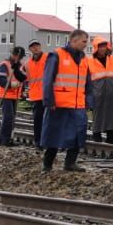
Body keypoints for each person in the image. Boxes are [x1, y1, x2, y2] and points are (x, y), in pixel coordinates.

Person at [38, 29, 93, 173]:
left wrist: (88, 101)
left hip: (77, 105)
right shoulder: (57, 55)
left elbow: (88, 83)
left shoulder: (84, 59)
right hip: (59, 105)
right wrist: (48, 100)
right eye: (84, 42)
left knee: (78, 134)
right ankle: (47, 165)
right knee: (53, 135)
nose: (85, 45)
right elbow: (47, 80)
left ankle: (70, 163)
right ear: (74, 40)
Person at [85, 36, 113, 144]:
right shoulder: (89, 61)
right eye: (100, 46)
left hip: (112, 94)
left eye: (104, 46)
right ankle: (97, 143)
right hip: (97, 95)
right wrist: (87, 98)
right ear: (96, 48)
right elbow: (86, 81)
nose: (103, 48)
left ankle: (110, 143)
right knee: (97, 120)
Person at [0, 46, 27, 146]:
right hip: (6, 94)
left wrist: (22, 91)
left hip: (15, 95)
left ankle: (6, 138)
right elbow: (1, 80)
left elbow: (22, 78)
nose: (21, 58)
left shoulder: (20, 65)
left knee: (11, 118)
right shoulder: (4, 65)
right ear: (15, 55)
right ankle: (4, 140)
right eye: (20, 56)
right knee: (8, 117)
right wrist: (11, 84)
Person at [24, 40, 50, 146]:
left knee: (49, 121)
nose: (35, 48)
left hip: (48, 95)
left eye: (37, 46)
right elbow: (21, 76)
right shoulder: (27, 63)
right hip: (36, 97)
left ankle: (49, 142)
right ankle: (38, 142)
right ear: (30, 49)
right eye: (33, 46)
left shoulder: (48, 58)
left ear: (40, 46)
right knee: (38, 120)